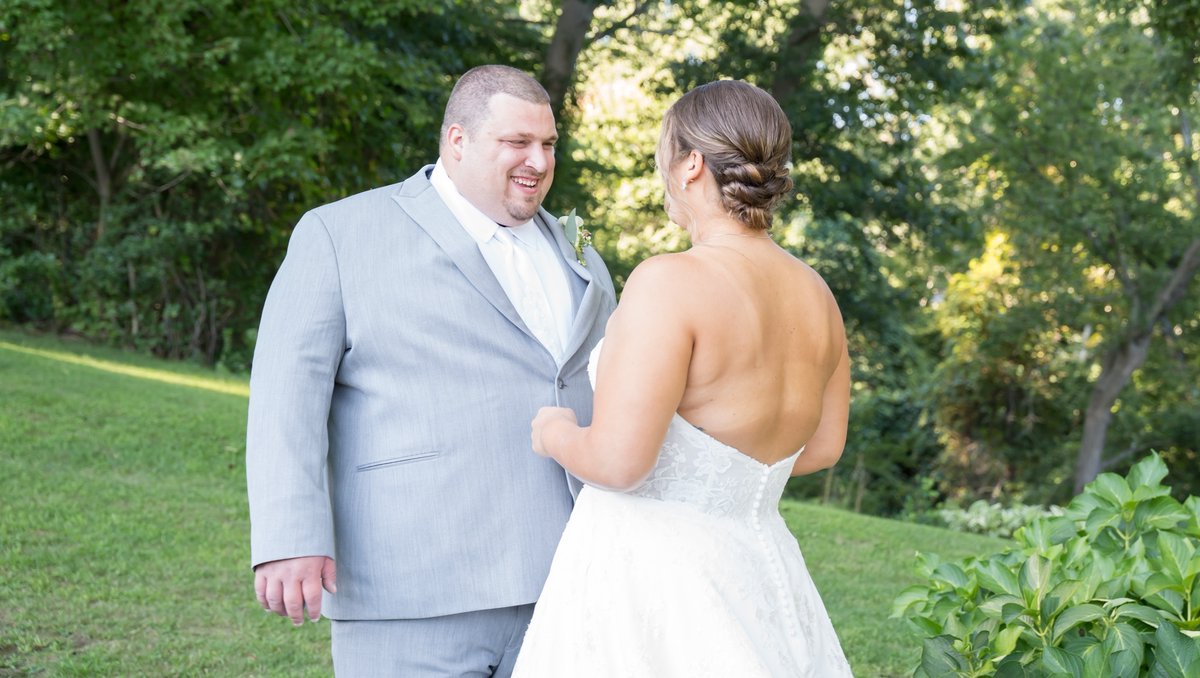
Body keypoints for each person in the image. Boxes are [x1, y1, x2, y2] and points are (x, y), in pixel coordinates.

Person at [245, 64, 616, 677]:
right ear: (457, 141)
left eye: (548, 144)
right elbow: (286, 395)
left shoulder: (578, 253)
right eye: (516, 142)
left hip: (564, 582)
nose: (539, 161)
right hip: (409, 578)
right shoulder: (340, 234)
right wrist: (290, 536)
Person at [513, 80, 854, 677]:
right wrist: (722, 479)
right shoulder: (817, 294)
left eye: (663, 158)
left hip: (654, 581)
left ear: (691, 164)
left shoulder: (670, 281)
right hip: (763, 568)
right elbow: (823, 447)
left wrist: (555, 433)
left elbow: (620, 463)